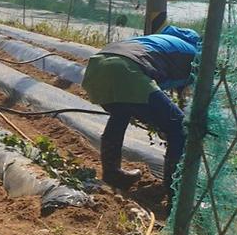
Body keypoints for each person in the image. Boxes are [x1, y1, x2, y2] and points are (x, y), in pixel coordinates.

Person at [81, 25, 201, 197]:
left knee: (121, 113)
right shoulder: (193, 55)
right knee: (178, 128)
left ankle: (112, 173)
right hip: (127, 70)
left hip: (95, 68)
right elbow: (185, 94)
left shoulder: (157, 41)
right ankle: (176, 193)